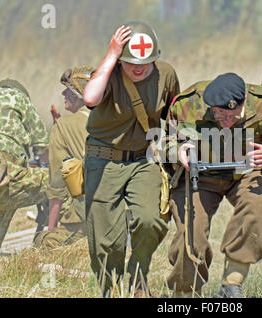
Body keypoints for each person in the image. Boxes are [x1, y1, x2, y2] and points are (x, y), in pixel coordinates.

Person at [82, 20, 180, 297]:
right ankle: (110, 290)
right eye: (131, 62)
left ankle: (138, 277)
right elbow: (90, 98)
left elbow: (173, 115)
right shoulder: (109, 73)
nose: (139, 68)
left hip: (144, 158)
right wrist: (112, 54)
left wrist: (178, 146)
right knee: (105, 241)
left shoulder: (166, 74)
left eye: (146, 62)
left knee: (152, 220)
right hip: (104, 160)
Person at [166, 73, 262, 298]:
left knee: (253, 209)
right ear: (210, 107)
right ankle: (185, 292)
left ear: (245, 103)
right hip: (200, 175)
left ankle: (232, 283)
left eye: (234, 115)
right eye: (221, 115)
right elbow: (165, 138)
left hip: (244, 173)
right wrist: (177, 150)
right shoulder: (187, 105)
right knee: (191, 231)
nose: (228, 122)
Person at [0, 79, 49, 255]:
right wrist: (42, 167)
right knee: (62, 181)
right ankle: (66, 240)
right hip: (4, 177)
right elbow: (42, 146)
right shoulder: (18, 98)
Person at [34, 66, 94, 249]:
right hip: (121, 214)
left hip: (89, 216)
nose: (63, 93)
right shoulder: (115, 120)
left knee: (42, 242)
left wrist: (51, 229)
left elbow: (57, 186)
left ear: (78, 94)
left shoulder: (64, 126)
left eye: (68, 89)